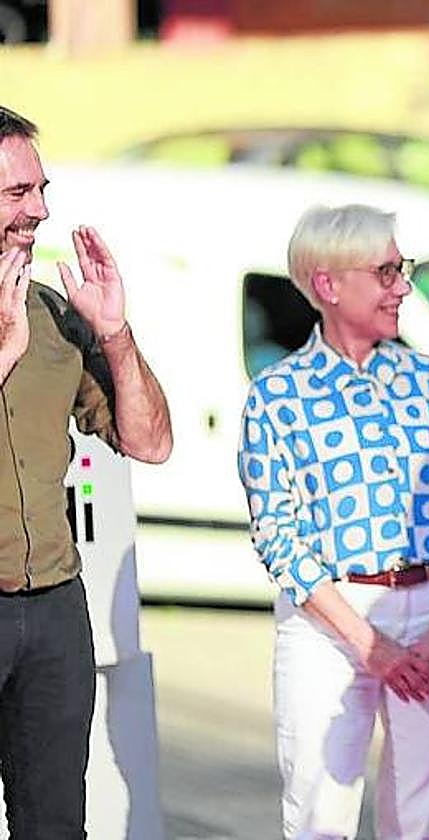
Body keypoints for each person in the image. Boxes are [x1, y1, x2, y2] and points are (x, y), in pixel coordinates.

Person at [237, 204, 429, 840]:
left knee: (420, 819)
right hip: (329, 627)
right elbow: (279, 538)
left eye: (401, 269)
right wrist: (371, 645)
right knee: (319, 816)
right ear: (328, 284)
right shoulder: (277, 396)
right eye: (386, 271)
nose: (403, 285)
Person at [0, 106, 173, 836]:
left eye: (42, 189)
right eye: (17, 194)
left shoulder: (51, 312)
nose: (39, 210)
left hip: (51, 614)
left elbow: (151, 441)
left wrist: (114, 333)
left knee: (55, 826)